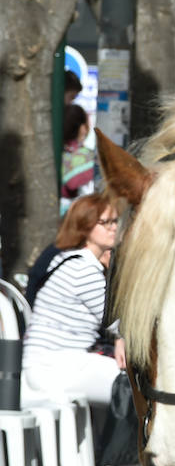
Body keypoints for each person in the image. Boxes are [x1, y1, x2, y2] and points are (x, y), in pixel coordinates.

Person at [22, 194, 124, 409]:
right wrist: (121, 337)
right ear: (85, 226)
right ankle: (120, 444)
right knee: (136, 385)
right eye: (105, 223)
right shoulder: (83, 270)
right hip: (59, 366)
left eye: (115, 221)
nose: (113, 228)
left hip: (46, 364)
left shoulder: (67, 259)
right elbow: (118, 323)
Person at [60, 104, 98, 213]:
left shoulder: (54, 152)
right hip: (78, 215)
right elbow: (73, 183)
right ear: (82, 128)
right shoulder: (89, 157)